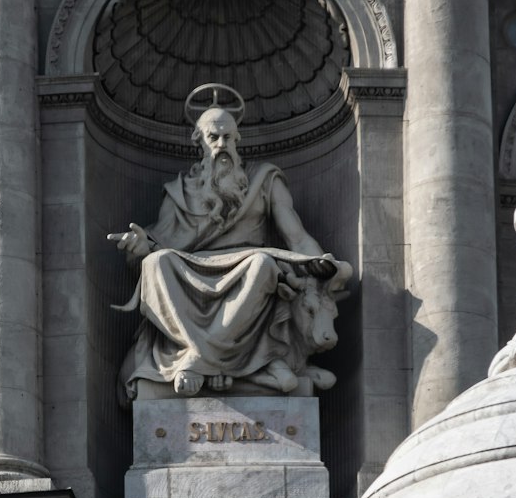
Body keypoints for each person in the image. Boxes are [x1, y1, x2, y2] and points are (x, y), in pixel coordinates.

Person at [110, 98, 348, 398]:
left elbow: (297, 238)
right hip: (192, 270)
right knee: (156, 264)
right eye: (213, 137)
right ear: (200, 142)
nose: (221, 144)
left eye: (227, 137)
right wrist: (139, 247)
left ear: (237, 140)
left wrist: (320, 262)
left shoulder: (264, 179)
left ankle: (198, 359)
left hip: (247, 270)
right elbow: (160, 241)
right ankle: (218, 360)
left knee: (263, 265)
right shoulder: (179, 191)